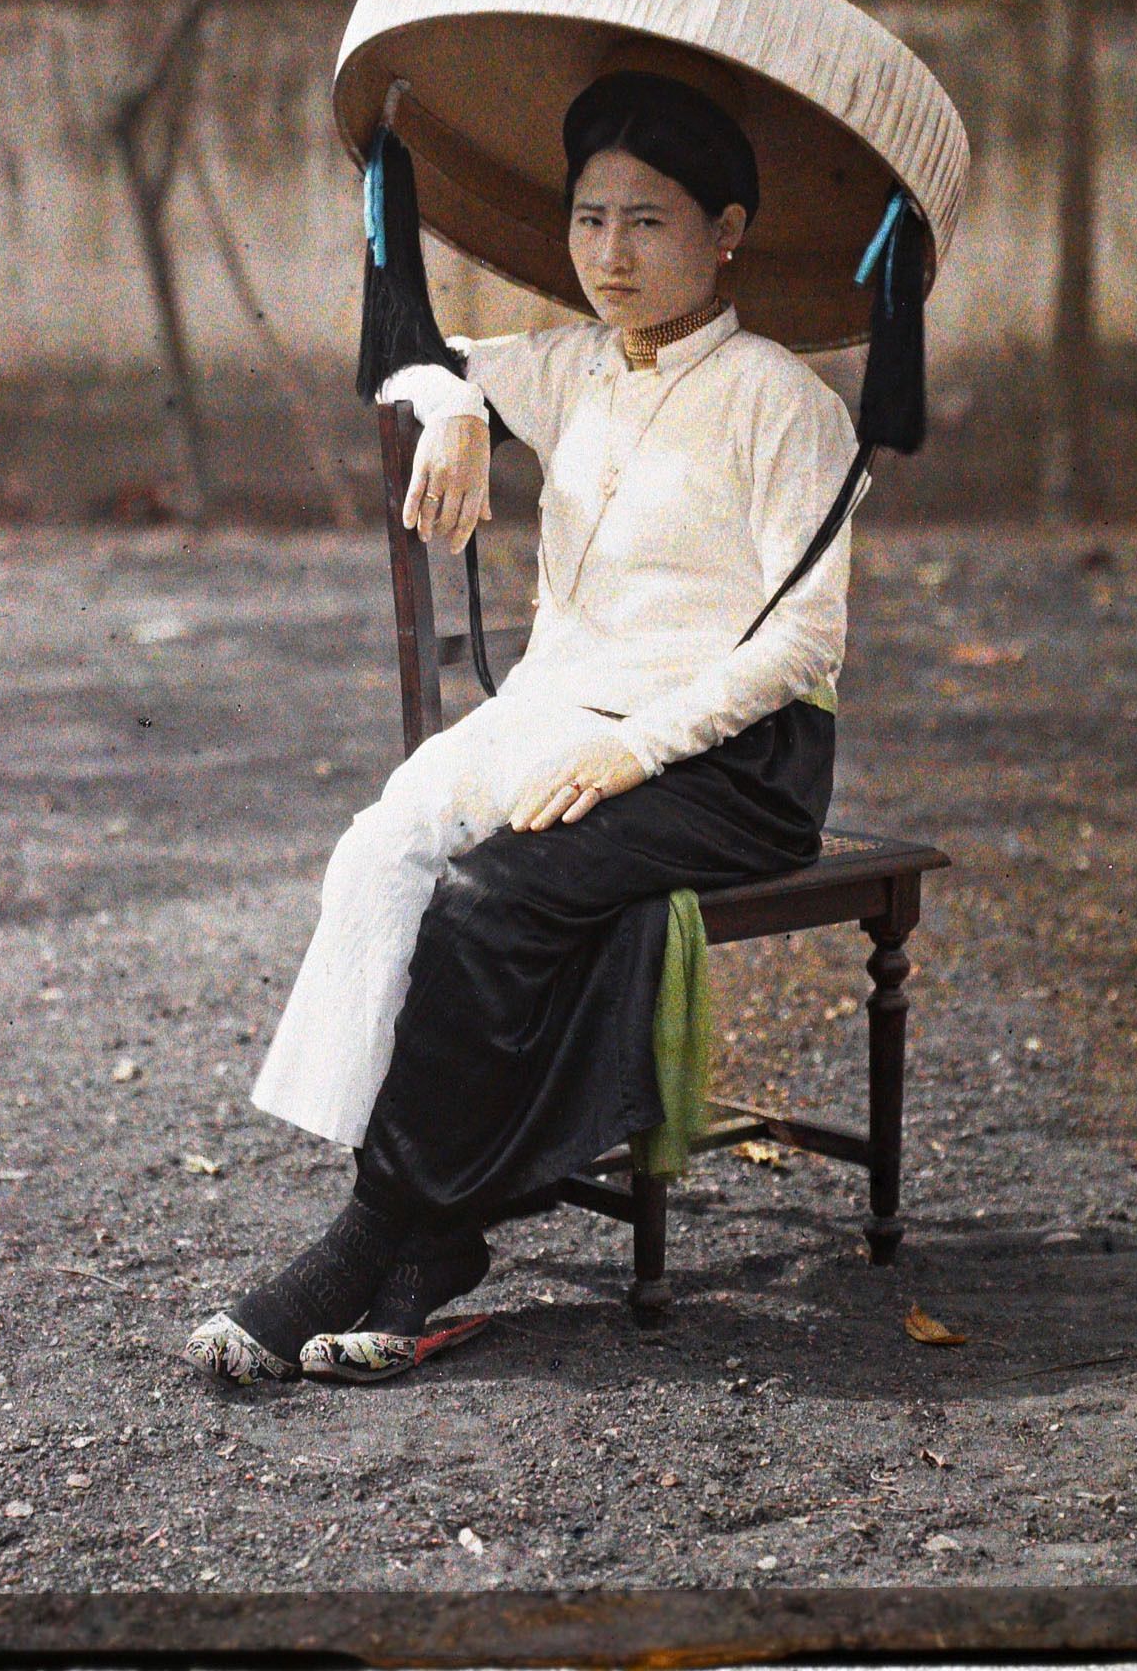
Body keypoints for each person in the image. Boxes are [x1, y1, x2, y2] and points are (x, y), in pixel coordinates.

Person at [183, 70, 862, 1385]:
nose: (609, 254)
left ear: (727, 230)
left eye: (649, 223)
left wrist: (636, 750)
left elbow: (805, 644)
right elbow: (419, 357)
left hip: (738, 757)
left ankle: (390, 1241)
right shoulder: (570, 367)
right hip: (569, 715)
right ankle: (416, 1228)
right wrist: (455, 418)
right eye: (590, 218)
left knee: (498, 900)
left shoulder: (788, 403)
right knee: (386, 851)